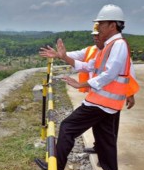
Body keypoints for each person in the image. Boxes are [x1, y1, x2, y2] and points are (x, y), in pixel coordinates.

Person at [35, 4, 139, 170]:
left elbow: (109, 74)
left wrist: (81, 83)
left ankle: (56, 168)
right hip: (107, 104)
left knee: (67, 127)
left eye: (101, 25)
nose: (98, 28)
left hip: (101, 102)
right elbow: (89, 66)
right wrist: (63, 56)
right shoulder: (108, 46)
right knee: (105, 140)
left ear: (112, 25)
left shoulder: (118, 45)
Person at [39, 22, 137, 155]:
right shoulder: (94, 51)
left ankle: (60, 165)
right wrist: (60, 55)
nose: (96, 37)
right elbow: (81, 61)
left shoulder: (117, 49)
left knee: (106, 133)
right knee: (103, 132)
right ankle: (108, 169)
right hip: (99, 96)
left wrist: (130, 94)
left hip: (109, 98)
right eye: (94, 36)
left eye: (99, 34)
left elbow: (127, 74)